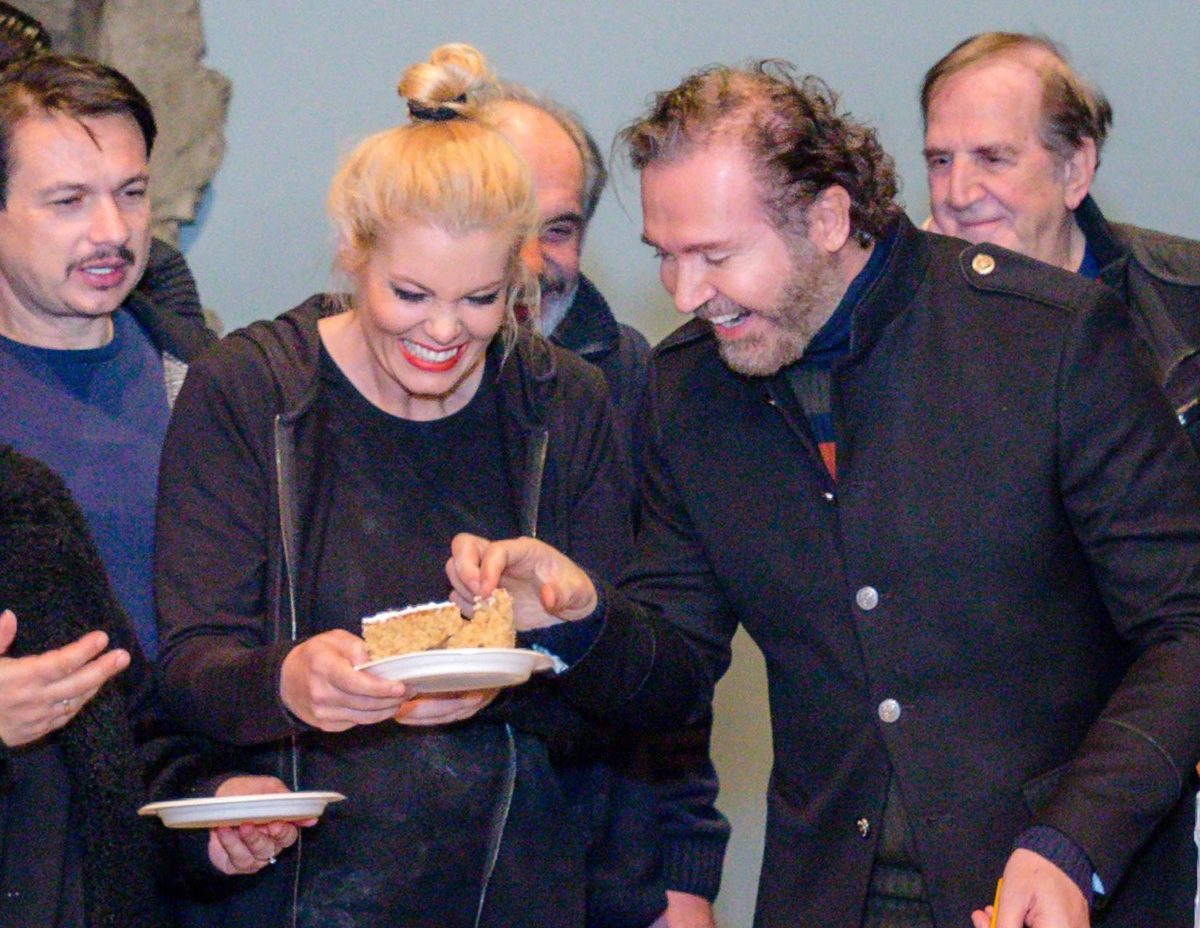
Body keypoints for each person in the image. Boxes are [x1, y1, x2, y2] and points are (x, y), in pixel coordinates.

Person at [446, 61, 1200, 928]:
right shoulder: (688, 389)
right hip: (831, 891)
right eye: (666, 257)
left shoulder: (1049, 338)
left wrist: (1076, 843)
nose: (688, 295)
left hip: (1060, 886)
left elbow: (1185, 628)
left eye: (716, 256)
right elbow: (676, 669)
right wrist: (578, 616)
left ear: (829, 218)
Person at [153, 43, 635, 927]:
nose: (444, 331)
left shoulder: (563, 402)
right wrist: (285, 682)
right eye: (410, 294)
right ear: (353, 253)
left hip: (509, 892)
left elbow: (636, 705)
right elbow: (188, 671)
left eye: (482, 299)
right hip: (291, 897)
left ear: (518, 276)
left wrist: (551, 647)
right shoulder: (251, 392)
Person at [477, 81, 729, 928]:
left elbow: (678, 659)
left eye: (557, 229)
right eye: (503, 222)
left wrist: (685, 879)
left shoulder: (639, 384)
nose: (530, 259)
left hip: (605, 882)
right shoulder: (346, 386)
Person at [920, 31, 1200, 446]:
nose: (958, 194)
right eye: (941, 161)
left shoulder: (1185, 304)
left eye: (992, 158)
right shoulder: (885, 330)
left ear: (1074, 170)